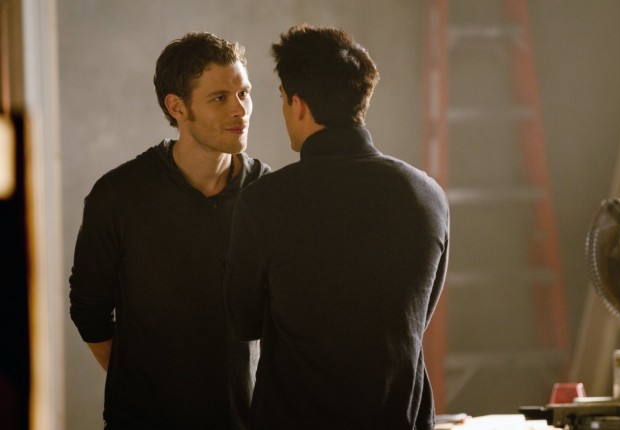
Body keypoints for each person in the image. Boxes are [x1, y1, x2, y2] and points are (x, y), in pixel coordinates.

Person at [223, 24, 450, 429]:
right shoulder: (426, 195)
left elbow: (245, 321)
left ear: (297, 104)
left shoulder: (265, 201)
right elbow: (416, 315)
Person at [68, 32, 270, 430]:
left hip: (242, 420)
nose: (240, 109)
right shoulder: (119, 194)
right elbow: (89, 310)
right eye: (220, 98)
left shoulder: (268, 194)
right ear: (177, 107)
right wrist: (145, 389)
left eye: (244, 93)